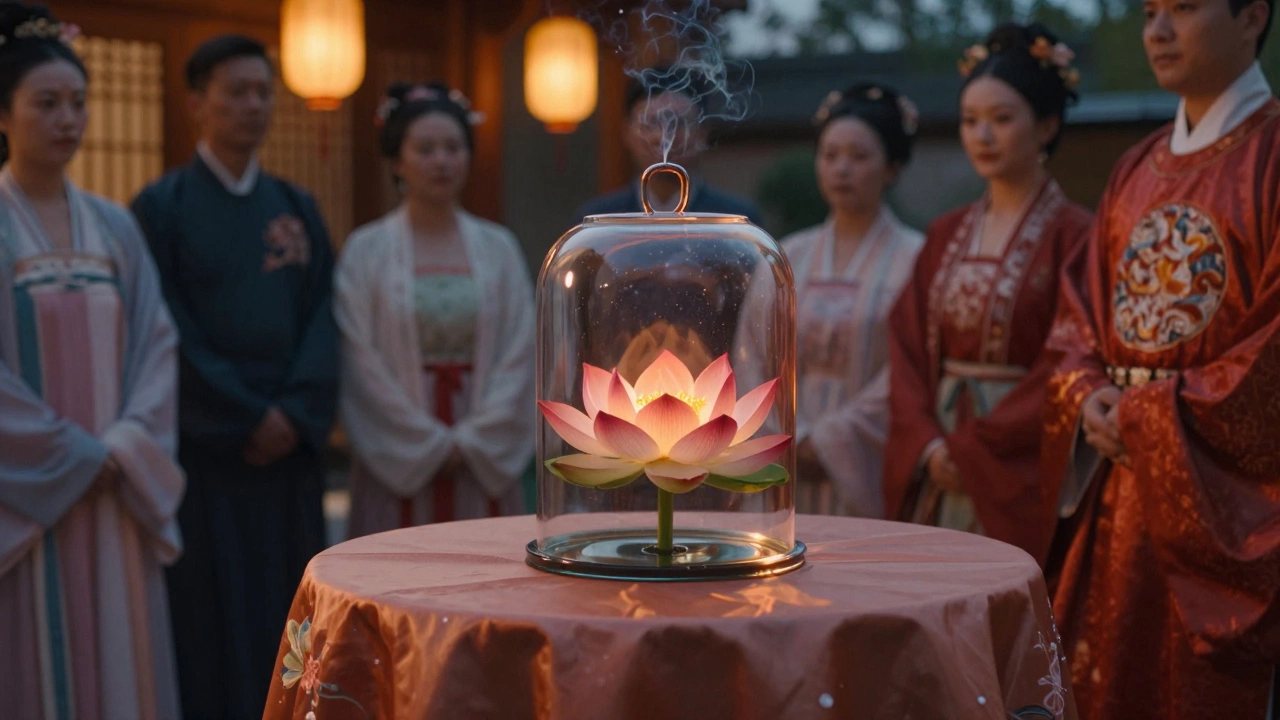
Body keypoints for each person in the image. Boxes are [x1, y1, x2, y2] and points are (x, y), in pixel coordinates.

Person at [1042, 0, 1278, 713]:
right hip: (1120, 488)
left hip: (1221, 503)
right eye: (1149, 12)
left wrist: (1143, 415)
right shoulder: (1134, 168)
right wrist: (1088, 395)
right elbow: (1076, 317)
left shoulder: (1271, 157)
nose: (1158, 30)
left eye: (1184, 8)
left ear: (1252, 16)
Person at [130, 34, 338, 720]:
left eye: (263, 92)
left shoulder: (296, 204)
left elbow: (321, 322)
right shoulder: (160, 208)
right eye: (237, 92)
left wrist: (291, 413)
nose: (255, 105)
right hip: (211, 457)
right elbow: (165, 329)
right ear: (198, 103)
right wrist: (246, 416)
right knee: (211, 628)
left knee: (294, 622)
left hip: (288, 459)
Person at [0, 4, 183, 717]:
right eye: (46, 104)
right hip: (26, 505)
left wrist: (127, 445)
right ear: (5, 115)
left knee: (118, 659)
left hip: (115, 490)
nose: (67, 119)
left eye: (77, 103)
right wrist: (72, 454)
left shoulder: (114, 225)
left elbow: (155, 345)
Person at [883, 23, 1093, 563]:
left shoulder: (1078, 236)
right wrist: (928, 445)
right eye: (971, 121)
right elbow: (905, 348)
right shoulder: (945, 233)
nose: (983, 136)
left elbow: (1070, 361)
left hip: (1019, 461)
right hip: (940, 453)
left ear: (1046, 125)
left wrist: (974, 450)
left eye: (1002, 120)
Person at [336, 82, 534, 534]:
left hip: (481, 436)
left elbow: (521, 350)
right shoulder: (365, 250)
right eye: (425, 149)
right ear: (396, 159)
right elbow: (359, 360)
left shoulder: (498, 247)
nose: (441, 160)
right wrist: (423, 443)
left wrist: (475, 440)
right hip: (396, 439)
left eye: (453, 147)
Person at [780, 83, 924, 517]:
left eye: (859, 157)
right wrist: (791, 436)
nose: (842, 169)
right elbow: (753, 357)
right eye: (830, 155)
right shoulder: (786, 256)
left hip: (869, 464)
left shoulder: (917, 259)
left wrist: (830, 441)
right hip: (786, 457)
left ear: (892, 167)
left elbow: (908, 372)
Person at [572, 66, 762, 225]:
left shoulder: (734, 220)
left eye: (678, 123)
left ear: (702, 133)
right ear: (627, 133)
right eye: (650, 123)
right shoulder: (598, 220)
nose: (662, 136)